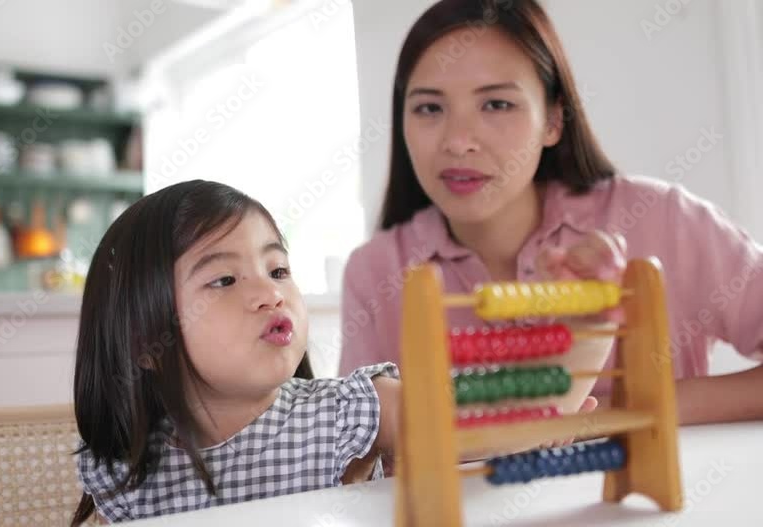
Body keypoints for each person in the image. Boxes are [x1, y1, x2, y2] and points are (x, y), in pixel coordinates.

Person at [338, 0, 763, 425]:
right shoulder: (375, 272)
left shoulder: (664, 219)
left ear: (554, 121)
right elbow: (356, 451)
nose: (458, 141)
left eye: (497, 105)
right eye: (429, 108)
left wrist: (635, 410)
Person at [71, 180, 401, 524]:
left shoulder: (354, 412)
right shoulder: (128, 472)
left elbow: (460, 430)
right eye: (225, 280)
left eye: (278, 271)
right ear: (143, 342)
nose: (272, 292)